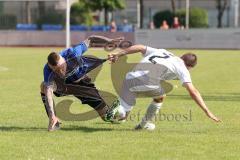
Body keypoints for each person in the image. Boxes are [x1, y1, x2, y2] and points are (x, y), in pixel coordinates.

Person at [108, 44, 221, 130]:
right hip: (146, 81)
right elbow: (193, 91)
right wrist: (207, 111)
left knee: (123, 116)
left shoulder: (162, 51)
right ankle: (143, 125)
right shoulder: (183, 68)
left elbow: (140, 47)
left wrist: (118, 54)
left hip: (130, 78)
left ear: (181, 56)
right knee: (160, 96)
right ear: (190, 67)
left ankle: (116, 110)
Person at [40, 35, 119, 131]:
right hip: (64, 87)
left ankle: (120, 115)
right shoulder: (47, 70)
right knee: (44, 86)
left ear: (64, 60)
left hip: (82, 85)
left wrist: (109, 40)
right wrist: (51, 115)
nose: (61, 72)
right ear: (51, 67)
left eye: (62, 67)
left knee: (106, 116)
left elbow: (91, 39)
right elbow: (48, 92)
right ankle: (54, 120)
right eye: (57, 70)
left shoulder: (73, 53)